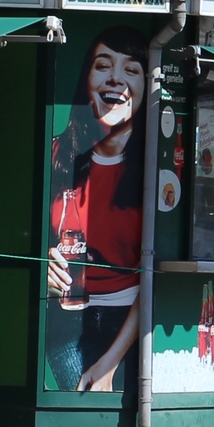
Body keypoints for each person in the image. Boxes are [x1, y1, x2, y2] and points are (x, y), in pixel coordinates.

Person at [45, 27, 150, 393]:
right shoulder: (56, 155)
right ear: (87, 79)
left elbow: (158, 275)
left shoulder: (156, 170)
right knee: (73, 417)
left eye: (132, 70)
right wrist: (40, 263)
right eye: (103, 65)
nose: (116, 78)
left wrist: (111, 361)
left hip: (131, 325)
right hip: (65, 321)